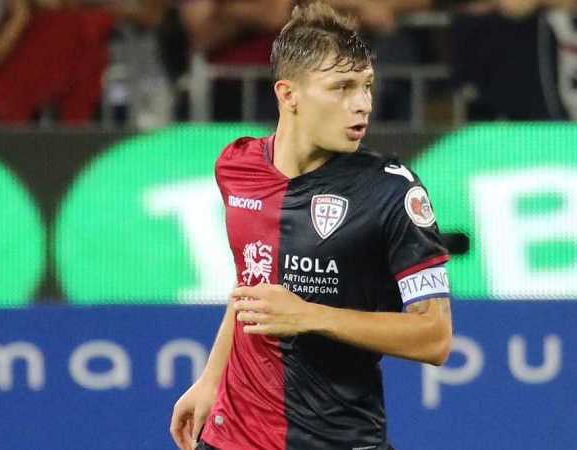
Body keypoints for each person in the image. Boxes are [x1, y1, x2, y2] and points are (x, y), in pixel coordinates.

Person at [169, 2, 453, 450]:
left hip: (340, 439)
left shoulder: (391, 192)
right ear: (289, 95)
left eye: (366, 85)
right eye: (341, 87)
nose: (362, 104)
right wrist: (211, 379)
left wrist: (310, 315)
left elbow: (434, 337)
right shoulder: (237, 166)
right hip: (234, 435)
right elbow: (253, 283)